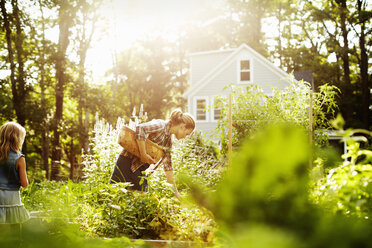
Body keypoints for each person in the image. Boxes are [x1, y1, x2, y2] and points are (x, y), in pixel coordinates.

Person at [109, 109, 195, 200]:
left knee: (139, 201)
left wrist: (176, 193)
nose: (185, 137)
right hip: (127, 162)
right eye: (186, 133)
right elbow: (140, 128)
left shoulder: (168, 142)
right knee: (116, 196)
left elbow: (168, 167)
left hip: (140, 168)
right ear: (182, 126)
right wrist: (143, 154)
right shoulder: (161, 125)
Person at [0, 122, 30, 238]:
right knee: (14, 230)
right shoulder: (19, 158)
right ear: (17, 139)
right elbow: (24, 184)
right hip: (12, 199)